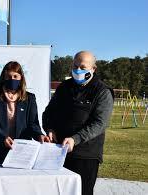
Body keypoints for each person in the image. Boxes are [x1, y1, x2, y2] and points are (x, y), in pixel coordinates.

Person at [42, 51, 114, 195]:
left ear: (93, 69)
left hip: (85, 155)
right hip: (58, 152)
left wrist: (76, 139)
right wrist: (49, 129)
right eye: (75, 65)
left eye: (83, 67)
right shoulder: (64, 87)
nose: (78, 70)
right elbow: (48, 113)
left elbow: (100, 123)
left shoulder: (102, 91)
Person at [0, 61, 48, 164]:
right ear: (3, 78)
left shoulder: (30, 98)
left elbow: (33, 124)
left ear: (21, 77)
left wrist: (40, 135)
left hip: (21, 151)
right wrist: (3, 138)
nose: (12, 79)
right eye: (8, 76)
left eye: (15, 76)